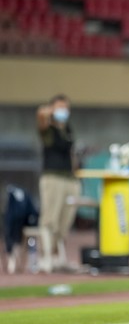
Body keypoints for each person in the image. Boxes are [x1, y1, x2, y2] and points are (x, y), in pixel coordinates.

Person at [37, 94, 81, 273]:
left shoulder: (67, 128)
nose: (64, 111)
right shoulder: (47, 127)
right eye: (60, 107)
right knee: (50, 220)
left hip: (69, 178)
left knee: (64, 221)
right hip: (52, 178)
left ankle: (58, 258)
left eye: (66, 108)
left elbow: (70, 152)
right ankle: (45, 258)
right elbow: (40, 115)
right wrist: (50, 111)